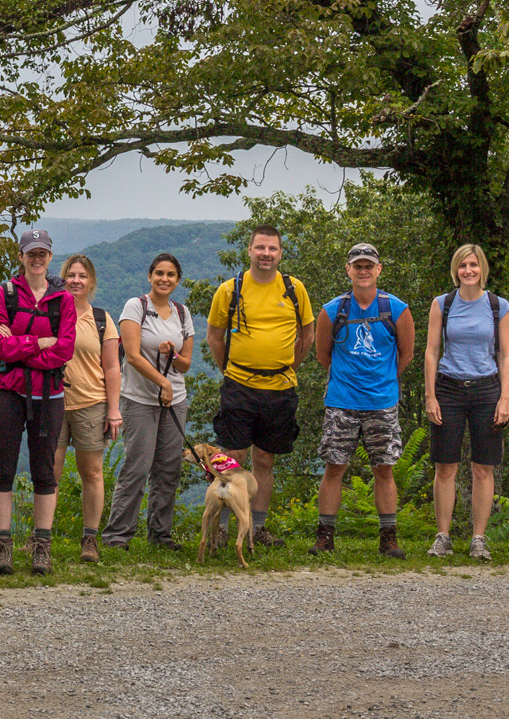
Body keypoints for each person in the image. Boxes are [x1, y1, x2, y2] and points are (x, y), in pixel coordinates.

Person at [206, 225, 314, 548]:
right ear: (249, 250)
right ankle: (223, 528)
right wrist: (230, 370)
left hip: (280, 388)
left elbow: (307, 336)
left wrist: (287, 368)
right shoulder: (230, 289)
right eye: (260, 247)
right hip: (239, 384)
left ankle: (257, 528)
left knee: (265, 458)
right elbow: (214, 336)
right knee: (232, 456)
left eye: (272, 249)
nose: (266, 254)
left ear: (280, 253)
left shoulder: (295, 289)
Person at [309, 244, 416, 558]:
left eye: (369, 265)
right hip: (342, 400)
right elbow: (322, 354)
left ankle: (389, 537)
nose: (364, 270)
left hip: (382, 402)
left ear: (379, 269)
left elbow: (406, 354)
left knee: (384, 469)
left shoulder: (397, 309)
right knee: (334, 467)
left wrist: (382, 380)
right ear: (349, 270)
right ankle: (324, 536)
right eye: (358, 266)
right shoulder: (332, 310)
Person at [0, 228, 77, 576]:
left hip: (47, 394)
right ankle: (3, 548)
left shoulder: (63, 299)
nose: (36, 259)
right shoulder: (3, 295)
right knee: (3, 468)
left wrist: (21, 344)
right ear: (21, 256)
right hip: (8, 391)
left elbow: (64, 349)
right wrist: (40, 343)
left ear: (50, 257)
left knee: (44, 471)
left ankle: (42, 547)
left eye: (42, 253)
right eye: (30, 253)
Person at [423, 244, 509, 560]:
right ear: (456, 269)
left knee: (483, 468)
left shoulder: (498, 306)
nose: (468, 270)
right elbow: (432, 351)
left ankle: (478, 538)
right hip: (448, 389)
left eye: (474, 265)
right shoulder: (442, 304)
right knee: (445, 466)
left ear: (482, 268)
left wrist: (505, 397)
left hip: (487, 390)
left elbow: (505, 353)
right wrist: (430, 395)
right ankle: (443, 537)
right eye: (463, 265)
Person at [104, 252, 195, 552]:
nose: (164, 279)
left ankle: (160, 534)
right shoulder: (136, 306)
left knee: (169, 469)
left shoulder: (182, 313)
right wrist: (163, 382)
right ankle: (118, 535)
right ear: (150, 276)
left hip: (174, 401)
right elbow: (131, 355)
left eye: (170, 274)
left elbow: (186, 365)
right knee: (137, 467)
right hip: (139, 399)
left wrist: (174, 357)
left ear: (177, 280)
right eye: (159, 273)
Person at [51, 253, 121, 563]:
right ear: (62, 279)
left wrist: (114, 410)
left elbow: (112, 368)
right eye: (71, 275)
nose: (76, 280)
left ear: (90, 281)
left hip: (92, 403)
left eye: (82, 276)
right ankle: (42, 537)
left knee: (91, 473)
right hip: (52, 402)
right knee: (48, 472)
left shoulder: (102, 319)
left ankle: (90, 539)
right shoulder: (52, 314)